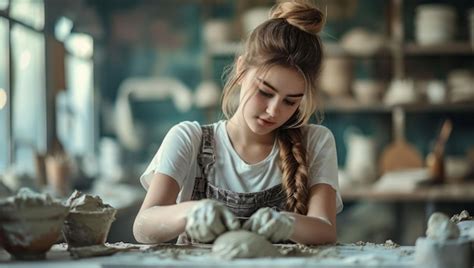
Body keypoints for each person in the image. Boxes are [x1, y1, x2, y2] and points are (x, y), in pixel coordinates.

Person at [133, 0, 342, 246]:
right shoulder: (189, 139)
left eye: (290, 101)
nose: (273, 111)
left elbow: (326, 230)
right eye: (265, 92)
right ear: (242, 70)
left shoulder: (315, 142)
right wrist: (190, 213)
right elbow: (143, 227)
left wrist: (286, 223)